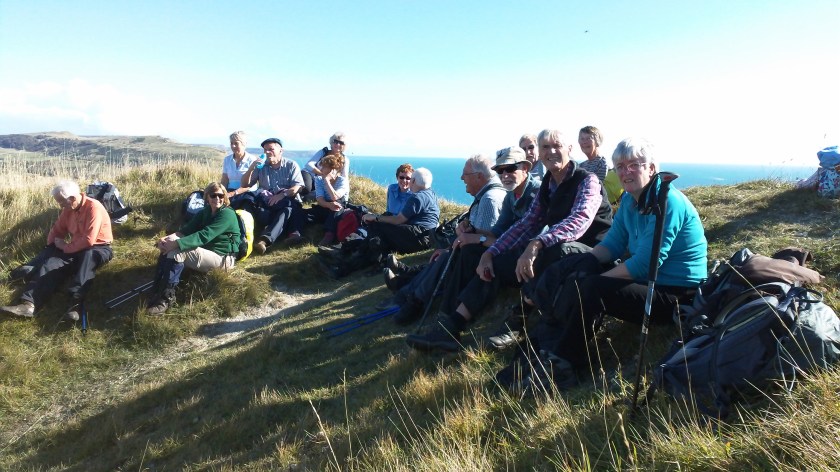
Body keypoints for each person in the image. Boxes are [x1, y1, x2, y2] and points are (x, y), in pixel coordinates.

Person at [501, 137, 708, 391]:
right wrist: (580, 263)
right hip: (648, 284)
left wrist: (598, 279)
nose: (625, 172)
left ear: (651, 168)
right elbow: (611, 246)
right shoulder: (632, 202)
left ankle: (564, 365)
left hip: (675, 295)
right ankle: (547, 349)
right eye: (620, 166)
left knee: (592, 288)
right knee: (579, 269)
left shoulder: (666, 202)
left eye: (634, 165)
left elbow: (646, 264)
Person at [405, 129, 613, 352]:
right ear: (540, 155)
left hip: (592, 252)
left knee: (554, 249)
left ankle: (518, 320)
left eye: (557, 146)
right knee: (490, 259)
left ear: (569, 150)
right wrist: (491, 252)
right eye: (545, 147)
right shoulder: (547, 185)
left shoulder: (587, 181)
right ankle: (451, 326)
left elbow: (579, 220)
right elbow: (526, 224)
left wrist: (537, 243)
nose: (551, 151)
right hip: (555, 247)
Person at [385, 154, 507, 325]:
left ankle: (413, 300)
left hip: (478, 259)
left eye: (466, 174)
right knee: (441, 256)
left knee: (443, 259)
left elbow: (487, 238)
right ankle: (406, 292)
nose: (461, 178)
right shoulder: (486, 196)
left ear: (479, 176)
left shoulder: (489, 200)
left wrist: (465, 238)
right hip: (469, 250)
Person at [1, 180, 113, 321]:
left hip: (98, 248)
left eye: (61, 202)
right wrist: (52, 246)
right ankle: (29, 305)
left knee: (88, 257)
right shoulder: (69, 209)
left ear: (72, 199)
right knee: (51, 264)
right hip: (75, 247)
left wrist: (65, 247)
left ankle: (75, 303)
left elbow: (88, 240)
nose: (59, 205)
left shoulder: (93, 208)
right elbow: (57, 230)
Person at [146, 182, 241, 315]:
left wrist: (176, 243)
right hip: (208, 253)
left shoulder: (227, 215)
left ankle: (166, 300)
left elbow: (204, 235)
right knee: (169, 249)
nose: (217, 199)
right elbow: (186, 230)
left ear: (225, 197)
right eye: (213, 195)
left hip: (223, 259)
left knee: (178, 251)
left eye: (221, 195)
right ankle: (158, 289)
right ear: (207, 197)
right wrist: (167, 239)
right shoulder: (206, 212)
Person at [242, 137, 306, 253]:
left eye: (271, 149)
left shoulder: (291, 165)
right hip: (267, 202)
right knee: (248, 203)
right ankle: (245, 236)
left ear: (281, 151)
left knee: (288, 209)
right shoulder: (262, 166)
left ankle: (264, 241)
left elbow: (298, 187)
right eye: (265, 150)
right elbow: (245, 184)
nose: (267, 152)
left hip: (286, 201)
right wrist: (251, 168)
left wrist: (282, 195)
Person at [360, 167, 439, 259]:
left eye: (410, 179)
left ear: (413, 181)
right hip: (428, 237)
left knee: (378, 225)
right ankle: (373, 253)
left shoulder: (417, 197)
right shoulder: (431, 193)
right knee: (383, 225)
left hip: (419, 237)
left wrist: (375, 217)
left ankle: (372, 257)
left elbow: (398, 220)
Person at [307, 153, 349, 246]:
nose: (321, 169)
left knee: (337, 205)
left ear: (333, 169)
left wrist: (327, 181)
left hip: (338, 209)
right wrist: (328, 205)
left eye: (324, 167)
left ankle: (329, 235)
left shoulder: (342, 181)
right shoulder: (318, 179)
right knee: (303, 213)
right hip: (325, 206)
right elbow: (320, 199)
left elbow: (335, 197)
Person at [578, 125, 622, 206]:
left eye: (588, 138)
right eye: (582, 139)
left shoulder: (602, 162)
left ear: (597, 142)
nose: (584, 142)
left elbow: (596, 188)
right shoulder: (581, 165)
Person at [301, 132, 350, 201]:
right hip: (310, 175)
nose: (337, 144)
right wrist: (323, 175)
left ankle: (303, 198)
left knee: (316, 196)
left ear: (344, 145)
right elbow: (308, 165)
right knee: (307, 188)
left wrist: (346, 198)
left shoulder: (345, 160)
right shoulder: (323, 152)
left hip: (322, 181)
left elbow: (345, 177)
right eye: (335, 141)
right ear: (331, 143)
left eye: (341, 143)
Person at [221, 131, 260, 212]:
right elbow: (224, 180)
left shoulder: (252, 160)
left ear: (244, 144)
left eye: (236, 143)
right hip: (230, 192)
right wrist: (222, 193)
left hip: (247, 194)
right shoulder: (227, 160)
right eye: (231, 143)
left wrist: (233, 193)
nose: (233, 146)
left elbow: (250, 184)